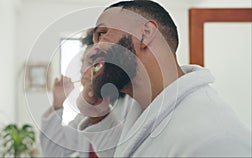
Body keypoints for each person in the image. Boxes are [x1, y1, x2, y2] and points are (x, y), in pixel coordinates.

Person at [76, 0, 251, 157]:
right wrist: (97, 112)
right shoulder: (147, 108)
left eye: (102, 34)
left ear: (145, 34)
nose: (93, 50)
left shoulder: (216, 140)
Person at [39, 29, 134, 157]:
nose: (82, 70)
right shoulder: (85, 115)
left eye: (91, 61)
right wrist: (57, 103)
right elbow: (54, 152)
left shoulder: (133, 106)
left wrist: (98, 115)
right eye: (82, 62)